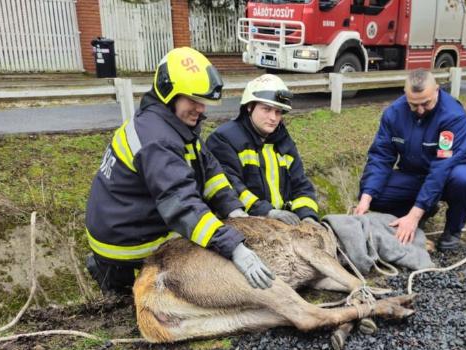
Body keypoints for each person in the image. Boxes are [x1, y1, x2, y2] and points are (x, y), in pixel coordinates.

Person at [84, 47, 274, 297]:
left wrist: (235, 210)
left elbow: (209, 169)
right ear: (168, 93)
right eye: (193, 100)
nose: (201, 108)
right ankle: (122, 281)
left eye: (203, 101)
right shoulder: (158, 140)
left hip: (130, 221)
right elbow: (182, 205)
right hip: (128, 245)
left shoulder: (170, 123)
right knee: (213, 262)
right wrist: (234, 247)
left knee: (212, 230)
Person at [354, 69, 466, 251]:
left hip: (448, 176)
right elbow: (381, 156)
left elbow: (442, 167)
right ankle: (425, 210)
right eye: (414, 105)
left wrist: (414, 215)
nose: (420, 110)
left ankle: (452, 230)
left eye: (426, 103)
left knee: (463, 180)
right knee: (373, 192)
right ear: (405, 95)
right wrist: (365, 199)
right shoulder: (394, 113)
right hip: (414, 175)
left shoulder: (453, 116)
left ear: (437, 90)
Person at [206, 74, 319, 225]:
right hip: (244, 223)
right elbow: (230, 189)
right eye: (266, 109)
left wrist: (308, 216)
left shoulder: (284, 142)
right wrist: (267, 212)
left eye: (278, 112)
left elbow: (301, 186)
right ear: (249, 107)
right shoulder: (224, 140)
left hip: (283, 223)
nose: (273, 117)